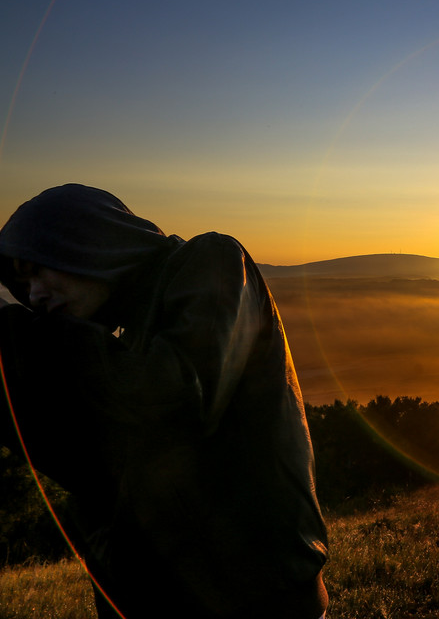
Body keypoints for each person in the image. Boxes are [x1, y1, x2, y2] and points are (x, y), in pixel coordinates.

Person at [0, 184, 329, 619]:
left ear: (88, 243)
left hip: (260, 594)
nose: (35, 294)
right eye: (23, 283)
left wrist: (22, 339)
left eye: (40, 270)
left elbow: (176, 399)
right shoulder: (127, 338)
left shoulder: (212, 261)